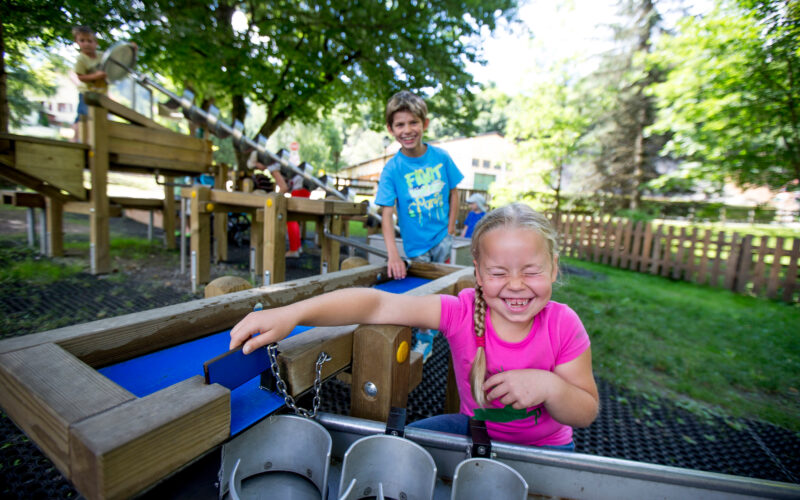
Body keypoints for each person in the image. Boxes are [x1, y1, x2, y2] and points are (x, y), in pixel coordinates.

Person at [229, 203, 599, 449]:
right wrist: (291, 314)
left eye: (532, 271)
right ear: (479, 274)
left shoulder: (563, 324)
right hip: (474, 433)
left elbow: (584, 412)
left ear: (552, 269)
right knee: (391, 448)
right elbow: (374, 304)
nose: (516, 284)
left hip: (548, 451)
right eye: (499, 272)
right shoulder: (462, 312)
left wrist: (549, 386)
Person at [376, 90, 464, 280]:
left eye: (413, 122)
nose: (407, 130)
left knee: (444, 288)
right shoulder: (392, 169)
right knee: (423, 290)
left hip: (443, 238)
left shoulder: (441, 157)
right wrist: (393, 255)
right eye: (400, 125)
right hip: (416, 247)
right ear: (391, 129)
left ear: (425, 124)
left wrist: (450, 230)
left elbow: (454, 193)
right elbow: (386, 214)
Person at [70, 26, 135, 141]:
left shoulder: (102, 56)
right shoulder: (82, 59)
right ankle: (76, 140)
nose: (86, 44)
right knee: (83, 117)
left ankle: (96, 140)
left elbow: (118, 63)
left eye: (89, 41)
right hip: (87, 94)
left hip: (101, 94)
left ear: (96, 43)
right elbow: (80, 77)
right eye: (82, 41)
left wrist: (132, 50)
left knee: (100, 118)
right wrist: (95, 76)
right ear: (77, 42)